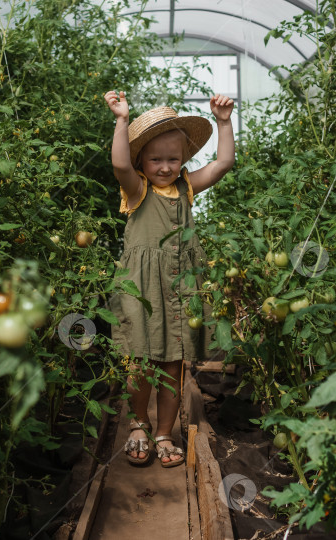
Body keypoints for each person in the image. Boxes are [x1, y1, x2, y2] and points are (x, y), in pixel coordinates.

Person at [104, 90, 235, 467]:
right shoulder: (137, 189)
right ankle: (138, 424)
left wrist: (223, 123)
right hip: (141, 289)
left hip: (180, 287)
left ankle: (164, 431)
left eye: (173, 159)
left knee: (175, 363)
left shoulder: (186, 187)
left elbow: (223, 163)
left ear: (183, 160)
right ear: (141, 159)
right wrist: (121, 121)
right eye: (156, 159)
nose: (165, 166)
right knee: (140, 360)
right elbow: (118, 166)